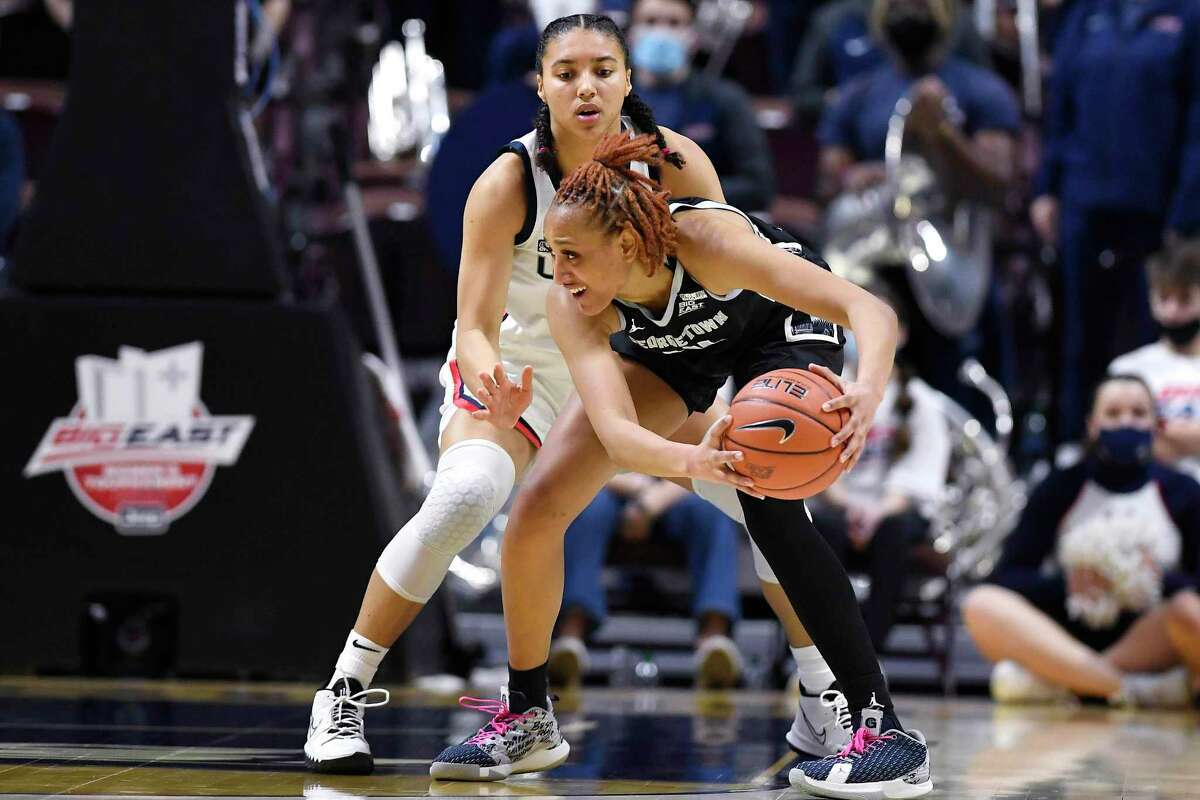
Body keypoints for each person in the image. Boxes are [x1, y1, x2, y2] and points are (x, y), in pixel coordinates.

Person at [304, 13, 847, 775]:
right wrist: (488, 378)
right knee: (468, 494)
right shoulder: (505, 181)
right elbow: (470, 325)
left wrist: (740, 412)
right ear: (542, 85)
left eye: (602, 69)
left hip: (638, 371)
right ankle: (348, 690)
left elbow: (719, 306)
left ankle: (826, 699)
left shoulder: (680, 166)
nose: (586, 85)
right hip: (522, 374)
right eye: (566, 73)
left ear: (629, 80)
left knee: (771, 493)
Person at [430, 133, 933, 799]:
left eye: (574, 256)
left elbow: (868, 309)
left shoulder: (713, 245)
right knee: (535, 509)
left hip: (773, 328)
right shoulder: (572, 303)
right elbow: (615, 431)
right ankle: (528, 715)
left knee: (771, 512)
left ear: (632, 247)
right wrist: (694, 458)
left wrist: (868, 390)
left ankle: (885, 731)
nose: (562, 272)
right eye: (554, 256)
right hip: (674, 347)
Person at [817, 0, 1019, 401]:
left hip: (953, 258)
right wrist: (851, 175)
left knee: (956, 380)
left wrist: (943, 133)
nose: (907, 9)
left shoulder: (980, 88)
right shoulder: (859, 92)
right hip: (880, 262)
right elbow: (829, 177)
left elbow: (999, 181)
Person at [962, 375, 1200, 707]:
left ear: (1156, 424)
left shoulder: (1184, 490)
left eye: (1137, 413)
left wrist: (1156, 580)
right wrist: (1066, 585)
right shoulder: (1062, 486)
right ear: (1092, 425)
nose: (1126, 422)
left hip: (1148, 637)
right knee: (982, 604)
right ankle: (1125, 688)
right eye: (1113, 414)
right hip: (1067, 635)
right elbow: (1008, 575)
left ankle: (1062, 683)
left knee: (1190, 612)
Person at [1031, 0, 1200, 449]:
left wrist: (1185, 209)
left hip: (1156, 205)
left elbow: (1197, 119)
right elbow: (1060, 108)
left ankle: (1155, 450)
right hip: (1085, 198)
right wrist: (1046, 188)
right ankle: (1071, 447)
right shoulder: (1086, 13)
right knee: (1079, 335)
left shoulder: (1188, 15)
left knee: (1154, 331)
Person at [809, 285, 951, 651]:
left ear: (900, 335)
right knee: (819, 529)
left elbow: (922, 477)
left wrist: (877, 511)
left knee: (893, 533)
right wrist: (846, 504)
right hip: (836, 506)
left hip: (894, 512)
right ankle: (817, 654)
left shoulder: (921, 402)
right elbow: (811, 462)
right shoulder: (821, 390)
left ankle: (866, 657)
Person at [548, 474, 745, 689]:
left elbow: (710, 467)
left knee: (713, 510)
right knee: (587, 507)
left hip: (678, 490)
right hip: (612, 486)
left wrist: (652, 501)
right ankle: (570, 640)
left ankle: (714, 643)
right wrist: (636, 487)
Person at [626, 0, 775, 211]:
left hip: (706, 224)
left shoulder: (726, 99)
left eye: (674, 23)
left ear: (694, 36)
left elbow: (758, 186)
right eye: (650, 22)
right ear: (630, 34)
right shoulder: (612, 99)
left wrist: (682, 196)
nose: (661, 32)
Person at [790, 0, 989, 123]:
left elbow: (988, 91)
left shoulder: (955, 19)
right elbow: (802, 96)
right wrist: (845, 102)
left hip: (945, 131)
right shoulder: (834, 20)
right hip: (863, 140)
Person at [1110, 241, 1200, 481]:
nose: (1172, 311)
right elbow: (1122, 441)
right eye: (1164, 298)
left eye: (1184, 299)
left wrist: (1158, 431)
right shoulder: (1127, 369)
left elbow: (1144, 436)